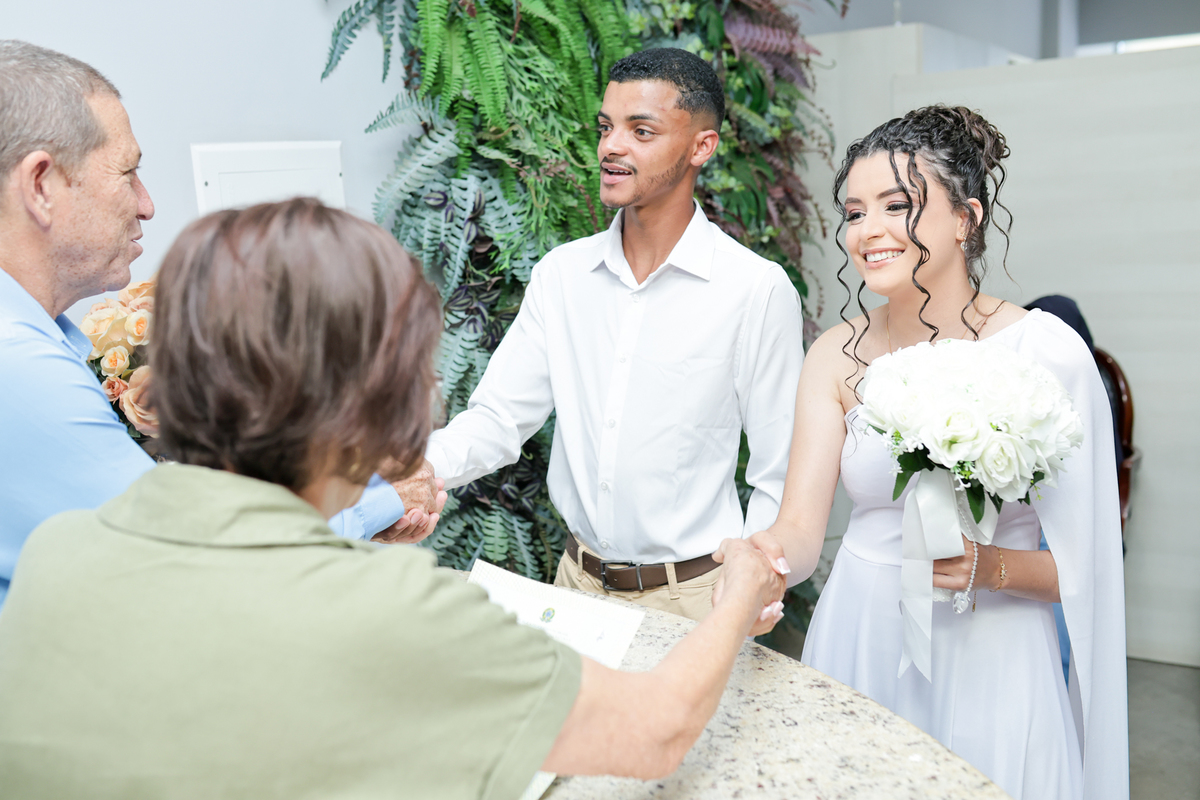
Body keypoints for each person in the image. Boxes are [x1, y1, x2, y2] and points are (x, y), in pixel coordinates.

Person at [0, 198, 784, 798]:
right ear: (375, 398)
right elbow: (655, 730)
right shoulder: (394, 610)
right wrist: (738, 592)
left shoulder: (58, 553)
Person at [747, 107, 1128, 799]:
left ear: (965, 218)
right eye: (854, 212)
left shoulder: (1046, 353)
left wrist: (989, 566)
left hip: (997, 648)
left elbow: (1088, 569)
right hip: (863, 634)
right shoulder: (835, 355)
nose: (869, 230)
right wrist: (762, 561)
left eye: (898, 206)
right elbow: (799, 531)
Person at [0, 39, 439, 608]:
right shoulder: (17, 365)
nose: (147, 204)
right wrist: (378, 499)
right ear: (40, 186)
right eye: (128, 173)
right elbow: (196, 566)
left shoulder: (37, 342)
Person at [401, 48, 804, 620]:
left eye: (641, 131)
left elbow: (778, 470)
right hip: (575, 587)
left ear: (702, 147)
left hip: (697, 596)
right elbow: (498, 418)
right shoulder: (562, 275)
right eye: (606, 127)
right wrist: (419, 469)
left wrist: (755, 581)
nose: (611, 146)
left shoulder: (754, 289)